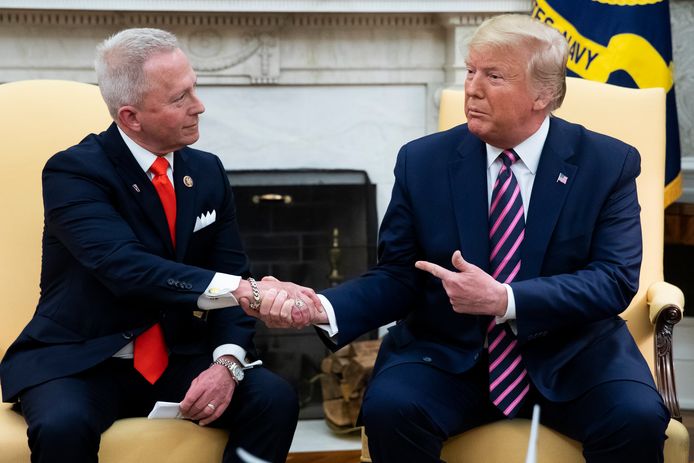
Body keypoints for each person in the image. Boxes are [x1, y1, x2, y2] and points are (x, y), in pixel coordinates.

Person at [242, 14, 670, 463]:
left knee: (636, 417)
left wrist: (505, 299)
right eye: (469, 71)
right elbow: (397, 277)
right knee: (391, 409)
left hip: (574, 355)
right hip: (447, 356)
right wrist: (323, 307)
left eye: (494, 76)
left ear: (543, 94)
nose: (472, 88)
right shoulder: (422, 161)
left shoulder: (607, 162)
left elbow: (614, 280)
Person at [0, 27, 320, 463]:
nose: (199, 105)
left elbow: (232, 269)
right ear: (130, 117)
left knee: (273, 399)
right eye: (179, 98)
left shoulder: (206, 172)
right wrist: (245, 291)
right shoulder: (73, 172)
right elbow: (124, 267)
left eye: (194, 88)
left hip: (177, 356)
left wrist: (226, 364)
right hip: (82, 360)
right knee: (62, 427)